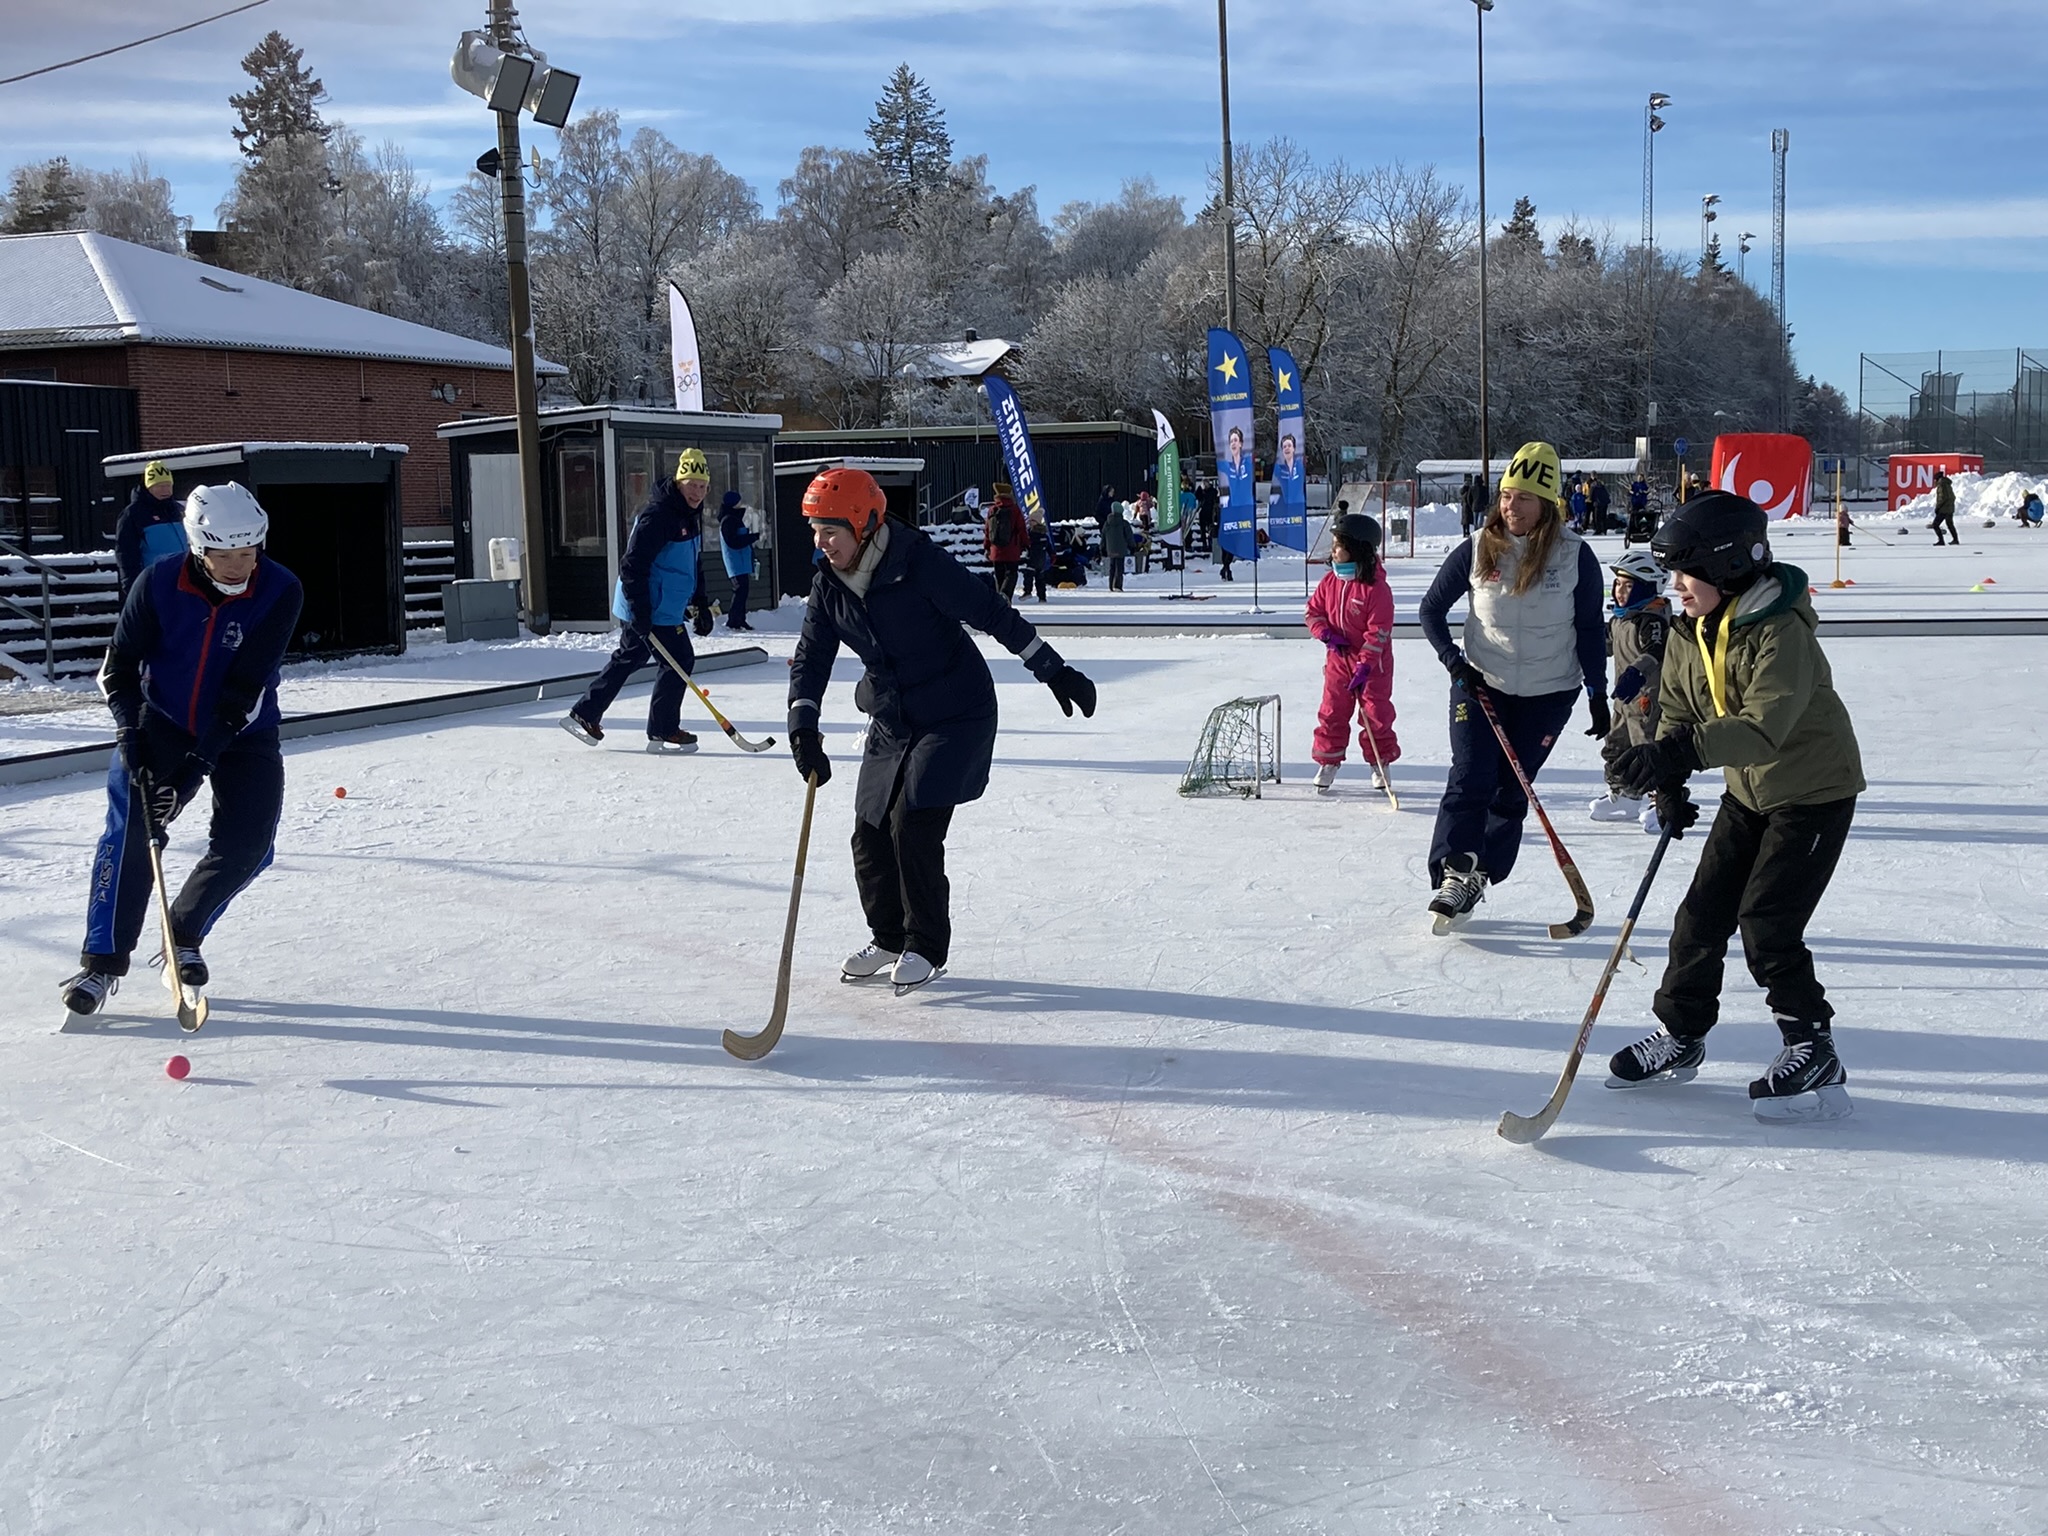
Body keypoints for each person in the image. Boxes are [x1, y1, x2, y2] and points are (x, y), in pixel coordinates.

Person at [1603, 490, 1865, 1122]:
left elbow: (1762, 726)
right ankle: (1682, 1036)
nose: (1676, 585)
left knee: (1767, 923)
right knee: (1700, 916)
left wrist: (1682, 754)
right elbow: (1676, 708)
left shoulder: (1781, 631)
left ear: (1725, 567)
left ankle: (1812, 1044)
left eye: (1685, 572)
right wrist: (1669, 782)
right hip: (1749, 791)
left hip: (1813, 791)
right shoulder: (1690, 630)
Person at [786, 468, 1098, 992]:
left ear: (863, 524)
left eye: (831, 530)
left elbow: (989, 611)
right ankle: (887, 937)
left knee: (915, 821)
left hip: (956, 710)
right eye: (815, 530)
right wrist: (803, 727)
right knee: (869, 830)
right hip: (893, 717)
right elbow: (811, 659)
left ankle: (925, 946)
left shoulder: (917, 563)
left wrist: (1052, 668)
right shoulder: (827, 585)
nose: (821, 543)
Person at [61, 483, 304, 1017]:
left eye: (249, 553)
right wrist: (132, 737)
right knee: (132, 834)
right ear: (199, 547)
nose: (241, 565)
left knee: (249, 845)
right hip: (161, 723)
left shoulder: (281, 589)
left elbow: (244, 694)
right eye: (226, 555)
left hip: (243, 732)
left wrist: (191, 774)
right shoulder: (158, 583)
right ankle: (100, 963)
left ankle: (182, 931)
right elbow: (116, 669)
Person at [1417, 441, 1609, 930]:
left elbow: (1589, 628)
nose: (1510, 506)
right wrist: (1452, 660)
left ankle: (1483, 873)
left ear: (1547, 503)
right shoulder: (1479, 547)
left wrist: (1597, 692)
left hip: (1549, 690)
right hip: (1481, 682)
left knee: (1511, 788)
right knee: (1470, 776)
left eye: (1523, 497)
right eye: (1506, 495)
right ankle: (1455, 868)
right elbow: (1430, 610)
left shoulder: (1575, 558)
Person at [562, 448, 708, 752]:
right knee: (678, 659)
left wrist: (702, 602)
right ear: (679, 483)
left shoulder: (691, 515)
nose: (698, 492)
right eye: (692, 484)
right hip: (649, 606)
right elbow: (632, 566)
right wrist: (641, 611)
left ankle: (585, 713)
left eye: (703, 486)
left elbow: (693, 561)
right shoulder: (658, 516)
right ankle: (663, 729)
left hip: (663, 605)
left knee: (632, 657)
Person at [1306, 511, 1399, 794]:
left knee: (1375, 714)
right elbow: (1313, 612)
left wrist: (1366, 664)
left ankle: (1380, 762)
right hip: (1338, 661)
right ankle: (1328, 761)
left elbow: (1379, 631)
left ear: (1358, 549)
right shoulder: (1330, 583)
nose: (1333, 552)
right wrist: (1324, 633)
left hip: (1372, 666)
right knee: (1332, 711)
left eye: (1338, 547)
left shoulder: (1376, 589)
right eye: (1333, 546)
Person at [1588, 549, 1673, 829]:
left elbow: (1655, 651)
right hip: (1623, 700)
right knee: (1615, 746)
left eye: (1628, 585)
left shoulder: (1652, 621)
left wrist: (1637, 671)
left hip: (1648, 700)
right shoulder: (1621, 619)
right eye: (1617, 584)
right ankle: (1625, 794)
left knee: (1646, 749)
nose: (1620, 591)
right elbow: (1604, 645)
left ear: (1648, 587)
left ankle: (1659, 802)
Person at [114, 459, 186, 597]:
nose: (165, 490)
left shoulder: (178, 510)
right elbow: (125, 552)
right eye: (160, 486)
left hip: (182, 581)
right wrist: (131, 585)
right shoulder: (133, 514)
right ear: (149, 487)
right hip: (153, 581)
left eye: (168, 485)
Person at [717, 490, 760, 631]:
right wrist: (752, 537)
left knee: (743, 591)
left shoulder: (732, 519)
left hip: (741, 562)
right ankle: (733, 621)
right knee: (739, 591)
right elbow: (733, 542)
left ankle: (740, 619)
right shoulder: (728, 520)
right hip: (735, 562)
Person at [982, 480, 1027, 601]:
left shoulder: (992, 510)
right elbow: (1021, 528)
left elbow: (987, 530)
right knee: (1012, 574)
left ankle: (1000, 600)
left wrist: (987, 547)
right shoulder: (1015, 509)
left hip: (995, 550)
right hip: (1012, 549)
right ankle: (1005, 595)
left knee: (999, 576)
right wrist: (1025, 544)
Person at [1100, 493, 1131, 591]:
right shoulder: (1124, 523)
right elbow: (1129, 536)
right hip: (1121, 549)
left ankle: (1111, 585)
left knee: (1112, 567)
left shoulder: (1107, 523)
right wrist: (1133, 546)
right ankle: (1117, 585)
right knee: (1119, 567)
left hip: (1110, 549)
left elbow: (1103, 537)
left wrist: (1102, 548)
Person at [1021, 512, 1052, 601]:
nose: (1030, 522)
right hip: (1041, 560)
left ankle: (1027, 591)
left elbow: (1026, 544)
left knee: (1029, 576)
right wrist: (1052, 554)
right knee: (1040, 578)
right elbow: (1049, 547)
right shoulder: (1044, 535)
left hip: (1033, 559)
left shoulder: (1031, 534)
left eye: (1032, 521)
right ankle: (1042, 597)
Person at [1929, 469, 1959, 546]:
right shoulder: (1947, 484)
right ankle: (1955, 539)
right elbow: (1952, 497)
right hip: (1949, 508)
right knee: (1950, 524)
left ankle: (1941, 541)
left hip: (1944, 509)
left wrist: (1938, 507)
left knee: (1935, 525)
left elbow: (1942, 498)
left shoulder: (1941, 485)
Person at [1625, 474, 1654, 545]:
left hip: (1642, 503)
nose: (1639, 478)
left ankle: (1643, 526)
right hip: (1635, 503)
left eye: (1641, 477)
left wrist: (1645, 492)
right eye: (1638, 477)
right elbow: (1630, 492)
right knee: (1634, 516)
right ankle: (1634, 528)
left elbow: (1647, 491)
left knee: (1642, 515)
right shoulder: (1634, 484)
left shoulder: (1644, 485)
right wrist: (1631, 491)